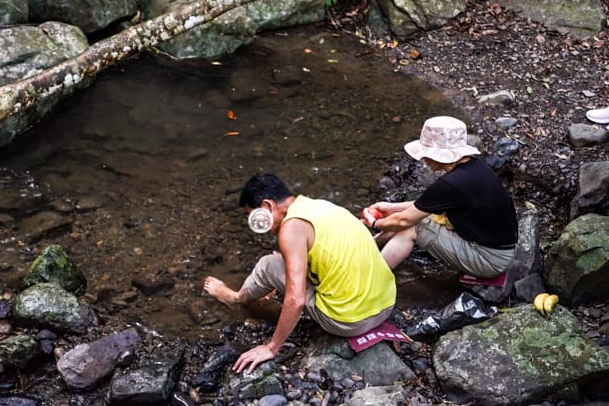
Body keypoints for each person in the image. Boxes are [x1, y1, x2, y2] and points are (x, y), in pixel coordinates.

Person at [204, 172, 396, 375]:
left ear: (268, 206)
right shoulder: (319, 206)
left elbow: (296, 300)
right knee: (284, 261)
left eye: (255, 216)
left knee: (269, 264)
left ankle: (235, 299)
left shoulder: (291, 228)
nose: (262, 227)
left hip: (351, 321)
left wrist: (271, 347)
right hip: (386, 305)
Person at [363, 116, 517, 278]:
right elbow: (426, 206)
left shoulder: (451, 184)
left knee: (413, 226)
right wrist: (391, 208)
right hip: (501, 250)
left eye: (425, 154)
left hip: (489, 260)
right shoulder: (474, 167)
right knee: (409, 219)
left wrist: (375, 223)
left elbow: (404, 221)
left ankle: (371, 278)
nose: (423, 159)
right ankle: (367, 249)